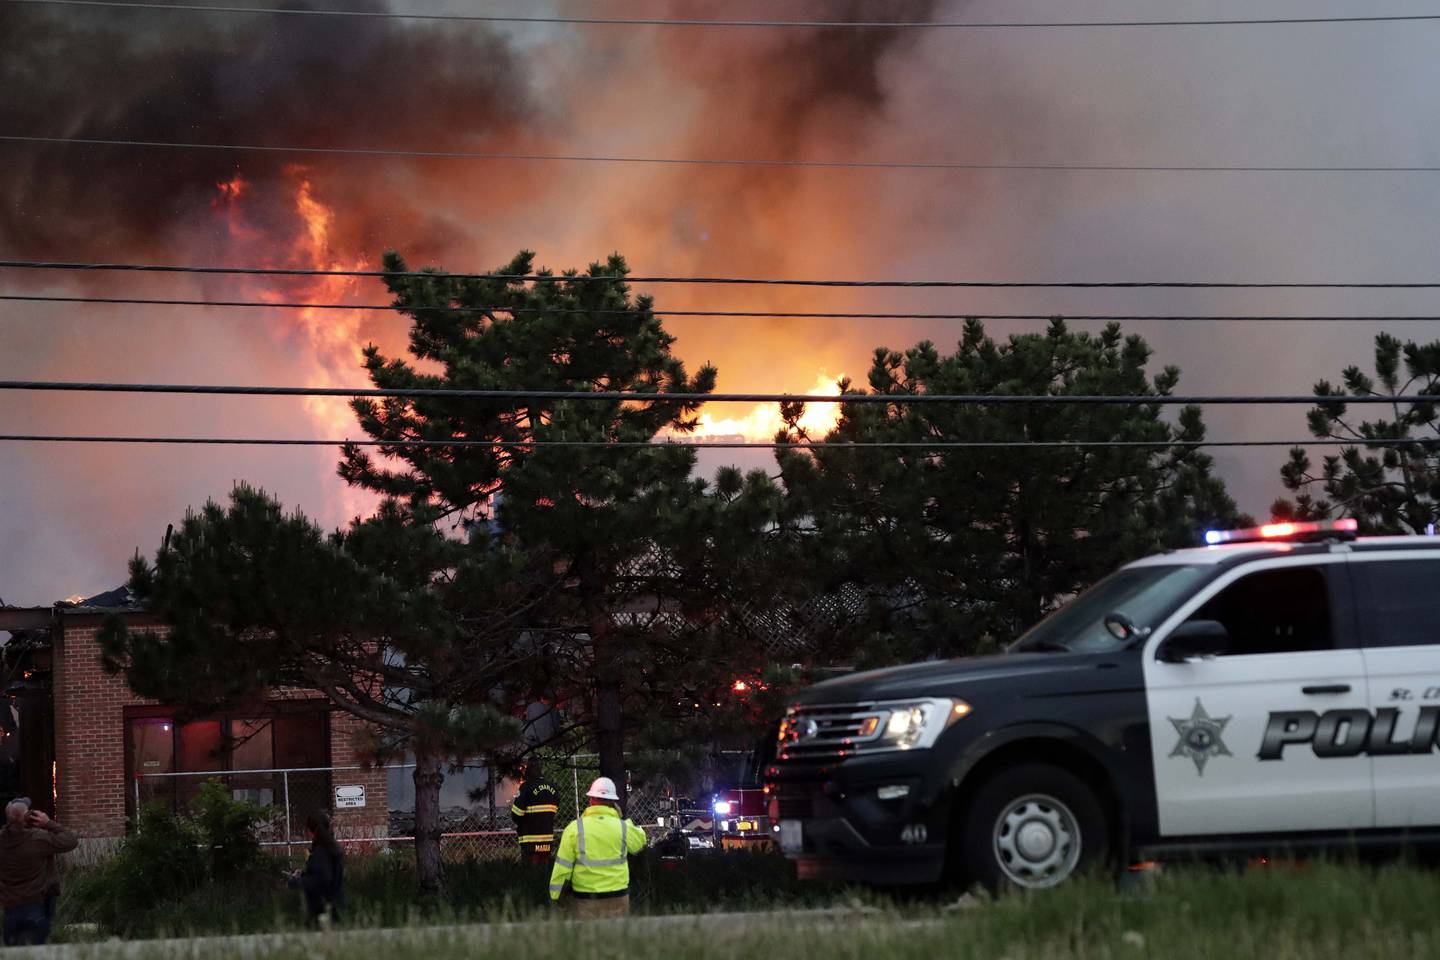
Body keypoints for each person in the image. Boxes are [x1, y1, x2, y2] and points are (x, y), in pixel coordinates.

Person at [548, 777, 646, 918]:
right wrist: (621, 819)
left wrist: (555, 898)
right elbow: (640, 842)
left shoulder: (575, 829)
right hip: (618, 898)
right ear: (613, 802)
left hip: (585, 900)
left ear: (591, 800)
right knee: (618, 938)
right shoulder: (623, 827)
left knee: (589, 939)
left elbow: (562, 868)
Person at [0, 798, 78, 946]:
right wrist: (47, 823)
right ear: (26, 816)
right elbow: (70, 840)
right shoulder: (38, 840)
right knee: (36, 951)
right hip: (34, 906)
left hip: (10, 909)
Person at [288, 811, 345, 928]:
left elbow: (322, 879)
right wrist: (304, 874)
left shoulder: (321, 852)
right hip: (334, 903)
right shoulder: (331, 848)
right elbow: (324, 873)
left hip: (322, 907)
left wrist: (297, 882)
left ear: (311, 831)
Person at [510, 761, 560, 865]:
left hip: (530, 839)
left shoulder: (526, 787)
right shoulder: (552, 787)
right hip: (547, 837)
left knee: (531, 871)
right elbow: (554, 810)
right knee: (545, 868)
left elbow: (516, 814)